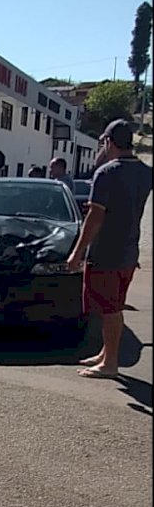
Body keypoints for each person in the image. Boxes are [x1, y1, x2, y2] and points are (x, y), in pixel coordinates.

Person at [66, 119, 151, 380]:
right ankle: (106, 353)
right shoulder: (146, 172)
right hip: (128, 253)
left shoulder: (106, 173)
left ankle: (110, 364)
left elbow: (95, 217)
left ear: (108, 142)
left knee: (109, 310)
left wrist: (77, 253)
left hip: (106, 254)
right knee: (113, 306)